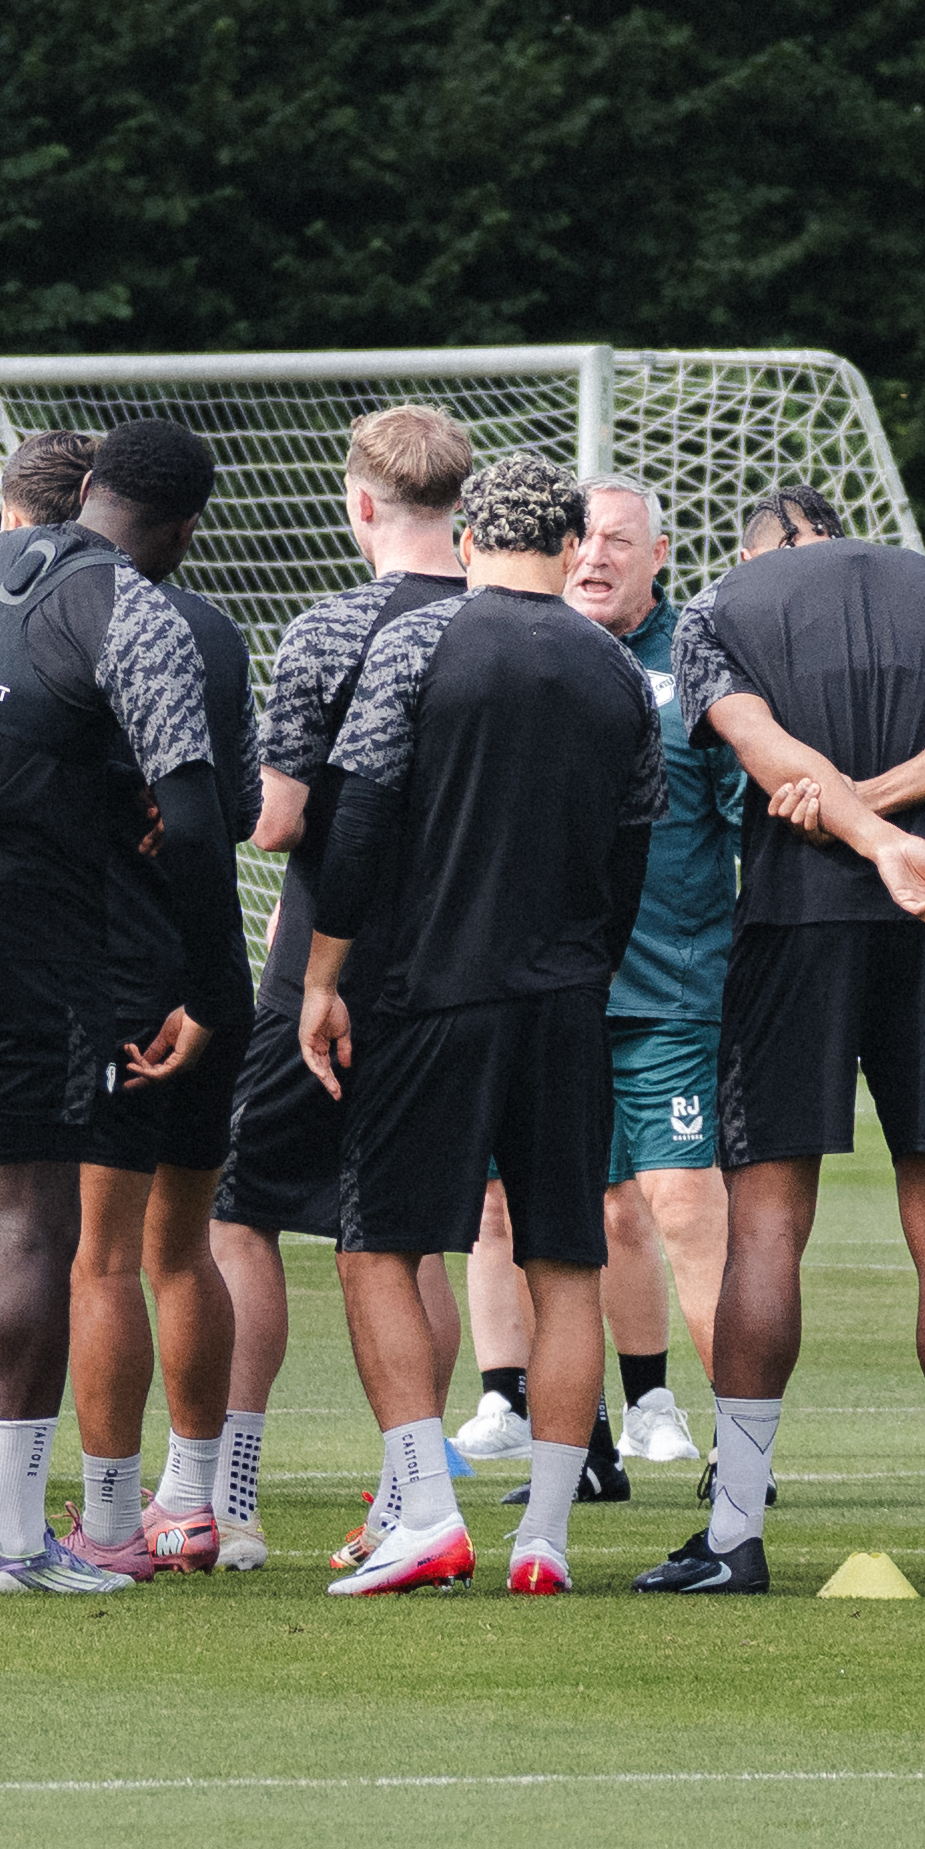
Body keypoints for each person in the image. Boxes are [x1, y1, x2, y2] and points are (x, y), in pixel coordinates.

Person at [295, 453, 665, 1599]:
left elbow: (359, 819)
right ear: (567, 545)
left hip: (430, 990)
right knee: (564, 1261)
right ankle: (543, 1538)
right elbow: (631, 852)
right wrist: (583, 970)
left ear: (465, 541)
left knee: (376, 1246)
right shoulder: (615, 668)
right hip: (564, 999)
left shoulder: (421, 640)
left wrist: (320, 977)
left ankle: (426, 1511)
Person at [635, 480, 925, 1597]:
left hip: (794, 920)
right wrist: (893, 820)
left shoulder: (720, 609)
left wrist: (853, 817)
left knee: (764, 1228)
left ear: (756, 553)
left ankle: (734, 1533)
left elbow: (757, 746)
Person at [0, 427, 226, 1593]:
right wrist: (210, 990)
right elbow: (199, 821)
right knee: (37, 1225)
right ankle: (17, 1541)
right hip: (35, 946)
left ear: (83, 489)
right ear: (185, 530)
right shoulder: (137, 610)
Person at [211, 403, 472, 1574]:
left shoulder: (330, 627)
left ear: (358, 502)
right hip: (454, 967)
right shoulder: (498, 622)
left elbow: (276, 820)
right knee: (409, 1236)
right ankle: (403, 1494)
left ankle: (228, 1493)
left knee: (238, 1212)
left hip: (322, 964)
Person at [66, 423, 258, 1575]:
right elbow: (235, 810)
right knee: (181, 1249)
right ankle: (192, 1503)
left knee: (95, 1256)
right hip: (207, 965)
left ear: (86, 494)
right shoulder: (212, 631)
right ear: (187, 527)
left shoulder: (51, 614)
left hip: (109, 970)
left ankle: (104, 1521)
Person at [565, 475, 740, 1474]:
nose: (595, 556)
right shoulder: (535, 652)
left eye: (618, 541)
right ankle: (589, 1444)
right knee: (584, 1217)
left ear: (658, 555)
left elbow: (748, 825)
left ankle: (742, 1454)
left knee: (685, 1209)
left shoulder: (698, 665)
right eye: (582, 539)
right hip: (555, 994)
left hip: (672, 992)